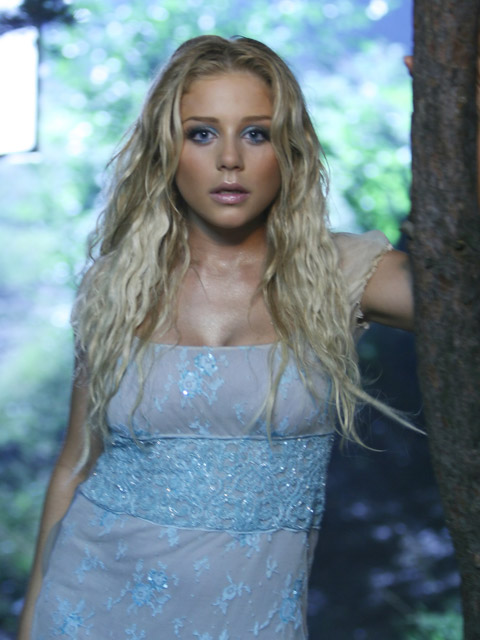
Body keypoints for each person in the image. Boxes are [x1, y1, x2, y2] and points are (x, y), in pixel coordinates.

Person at [18, 35, 415, 639]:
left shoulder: (341, 273)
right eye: (202, 133)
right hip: (86, 605)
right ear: (167, 149)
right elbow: (76, 461)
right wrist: (30, 618)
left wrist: (463, 121)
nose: (230, 159)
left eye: (256, 134)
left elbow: (461, 300)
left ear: (290, 149)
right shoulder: (118, 283)